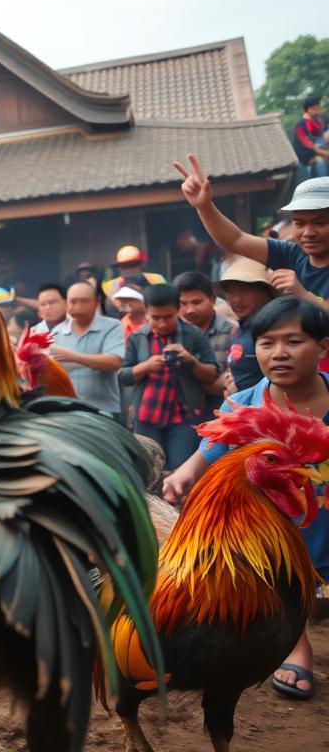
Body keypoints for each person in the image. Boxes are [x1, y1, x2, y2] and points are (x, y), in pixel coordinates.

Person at [162, 297, 329, 700]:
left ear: (323, 347)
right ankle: (296, 645)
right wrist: (183, 474)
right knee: (282, 586)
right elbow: (210, 450)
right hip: (273, 524)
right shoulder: (247, 402)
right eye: (267, 343)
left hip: (324, 518)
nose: (279, 354)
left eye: (293, 341)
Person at [177, 155, 329, 309]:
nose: (308, 232)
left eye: (320, 223)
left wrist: (302, 295)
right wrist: (204, 206)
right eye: (299, 223)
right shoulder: (292, 254)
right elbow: (235, 240)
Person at [119, 284, 218, 469]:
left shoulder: (193, 334)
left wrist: (191, 361)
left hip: (183, 417)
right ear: (146, 312)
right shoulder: (137, 337)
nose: (162, 323)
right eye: (156, 318)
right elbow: (123, 376)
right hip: (146, 416)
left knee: (181, 470)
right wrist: (145, 367)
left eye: (168, 317)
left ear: (177, 310)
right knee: (148, 471)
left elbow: (212, 375)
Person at [48, 282, 126, 419]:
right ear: (66, 304)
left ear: (97, 303)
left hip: (102, 410)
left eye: (84, 301)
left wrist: (73, 357)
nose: (78, 306)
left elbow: (115, 362)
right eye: (73, 301)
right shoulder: (56, 333)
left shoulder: (112, 326)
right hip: (66, 410)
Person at [174, 270, 237, 421]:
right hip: (179, 417)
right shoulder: (169, 334)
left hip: (221, 415)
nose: (190, 310)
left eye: (197, 302)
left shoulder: (233, 332)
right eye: (183, 303)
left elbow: (232, 379)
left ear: (213, 299)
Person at [215, 257, 277, 392]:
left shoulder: (276, 328)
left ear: (265, 291)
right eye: (230, 292)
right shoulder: (239, 329)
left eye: (245, 291)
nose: (236, 299)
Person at [293, 97, 329, 180]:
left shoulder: (320, 121)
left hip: (323, 152)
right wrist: (326, 153)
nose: (319, 110)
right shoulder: (300, 125)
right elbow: (311, 146)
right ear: (310, 109)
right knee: (320, 163)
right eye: (317, 108)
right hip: (310, 159)